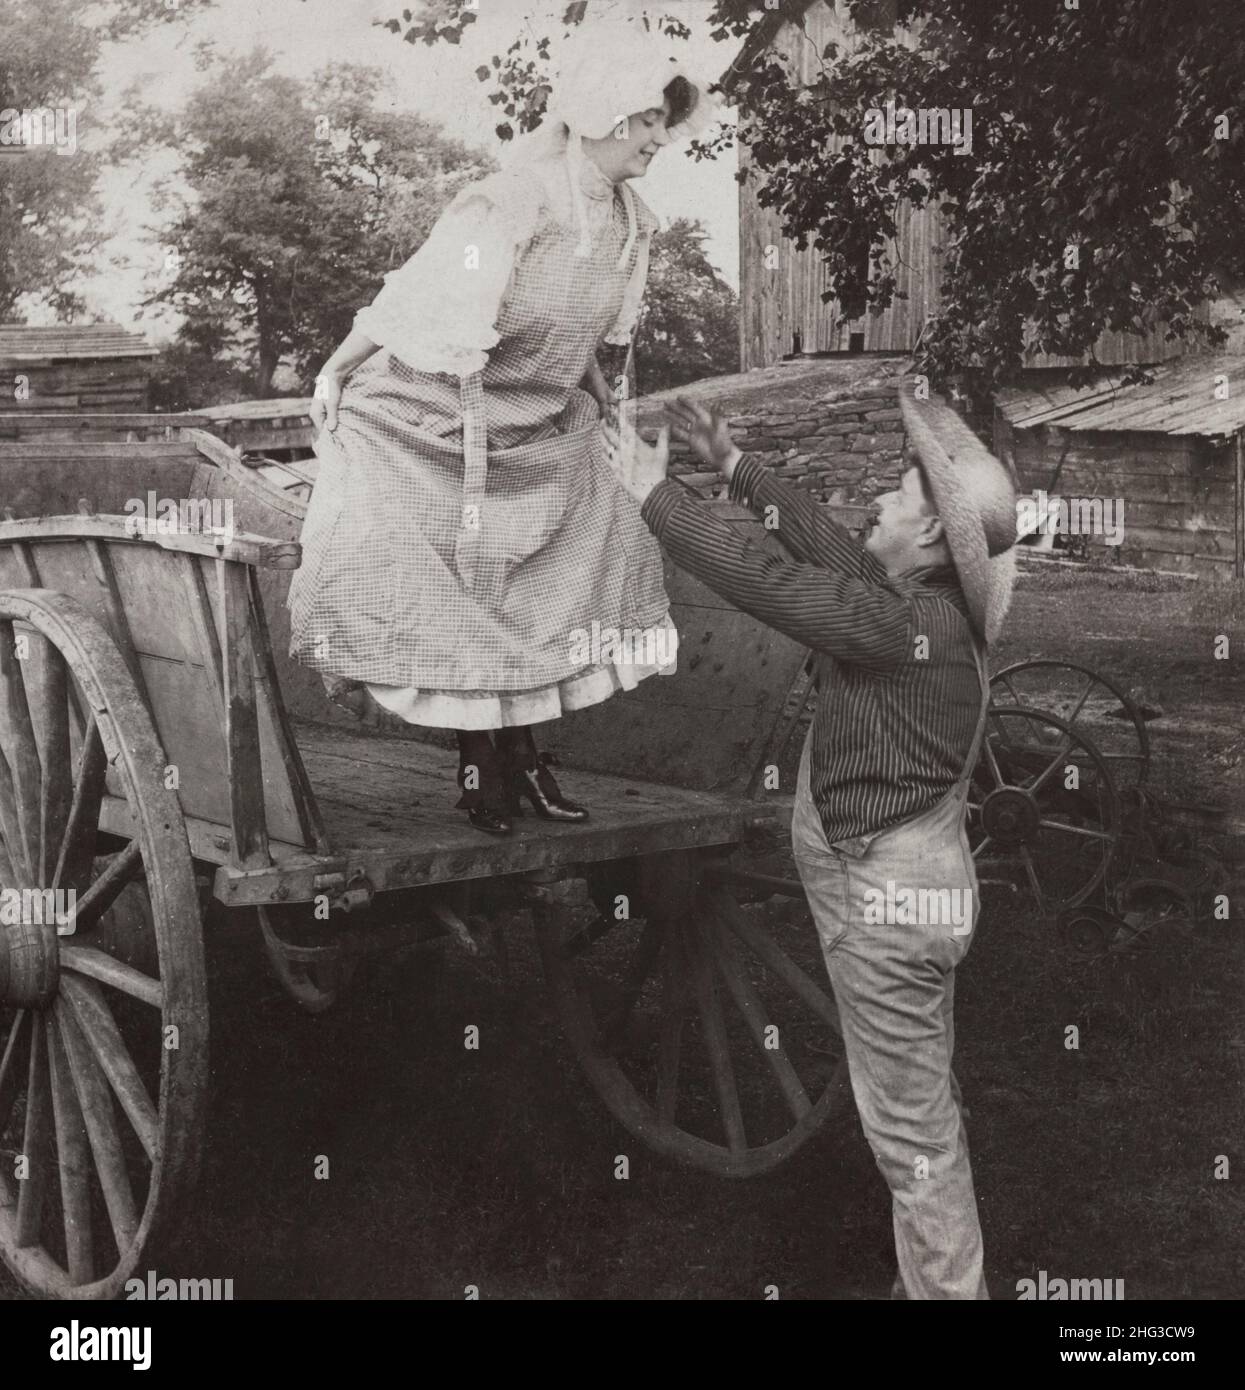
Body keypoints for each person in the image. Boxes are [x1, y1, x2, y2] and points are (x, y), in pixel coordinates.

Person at [607, 385, 1019, 1300]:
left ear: (928, 543)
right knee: (919, 1113)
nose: (876, 500)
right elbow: (824, 547)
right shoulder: (915, 606)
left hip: (888, 902)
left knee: (912, 1137)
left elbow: (776, 585)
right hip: (906, 887)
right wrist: (731, 463)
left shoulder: (903, 625)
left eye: (898, 495)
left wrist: (653, 499)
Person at [288, 20, 717, 835]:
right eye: (649, 120)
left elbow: (587, 339)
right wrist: (336, 369)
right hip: (431, 425)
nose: (660, 138)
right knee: (455, 588)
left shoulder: (631, 223)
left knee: (577, 559)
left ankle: (522, 759)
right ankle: (484, 766)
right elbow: (416, 299)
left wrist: (604, 405)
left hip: (537, 423)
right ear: (605, 113)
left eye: (666, 121)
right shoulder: (511, 203)